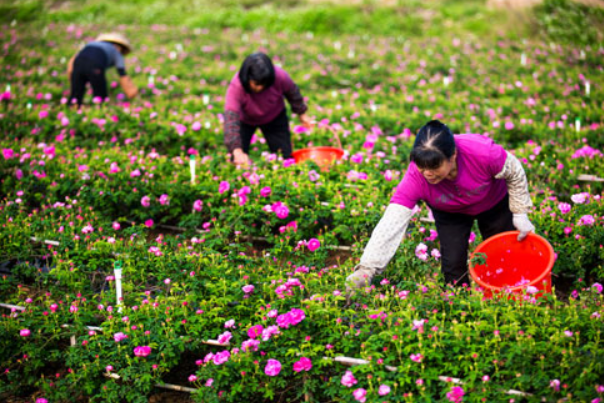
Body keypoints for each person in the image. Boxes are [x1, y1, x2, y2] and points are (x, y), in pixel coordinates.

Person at [346, 120, 535, 292]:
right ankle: (461, 307)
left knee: (502, 255)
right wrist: (366, 269)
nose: (427, 173)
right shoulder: (415, 178)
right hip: (450, 213)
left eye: (434, 166)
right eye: (422, 166)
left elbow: (515, 171)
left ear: (453, 156)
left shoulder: (482, 152)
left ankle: (510, 300)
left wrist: (520, 212)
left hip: (493, 204)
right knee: (452, 267)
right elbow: (392, 221)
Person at [223, 52, 313, 166]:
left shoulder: (279, 76)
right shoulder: (237, 86)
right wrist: (237, 150)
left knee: (285, 157)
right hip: (245, 120)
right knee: (237, 159)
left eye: (263, 84)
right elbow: (231, 117)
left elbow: (292, 92)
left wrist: (302, 113)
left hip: (274, 117)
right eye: (256, 84)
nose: (260, 87)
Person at [67, 33, 138, 107]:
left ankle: (72, 109)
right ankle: (101, 112)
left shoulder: (91, 44)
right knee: (100, 95)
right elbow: (122, 74)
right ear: (119, 46)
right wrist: (131, 91)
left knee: (76, 94)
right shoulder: (116, 51)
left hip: (78, 62)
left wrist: (72, 76)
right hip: (94, 64)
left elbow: (72, 61)